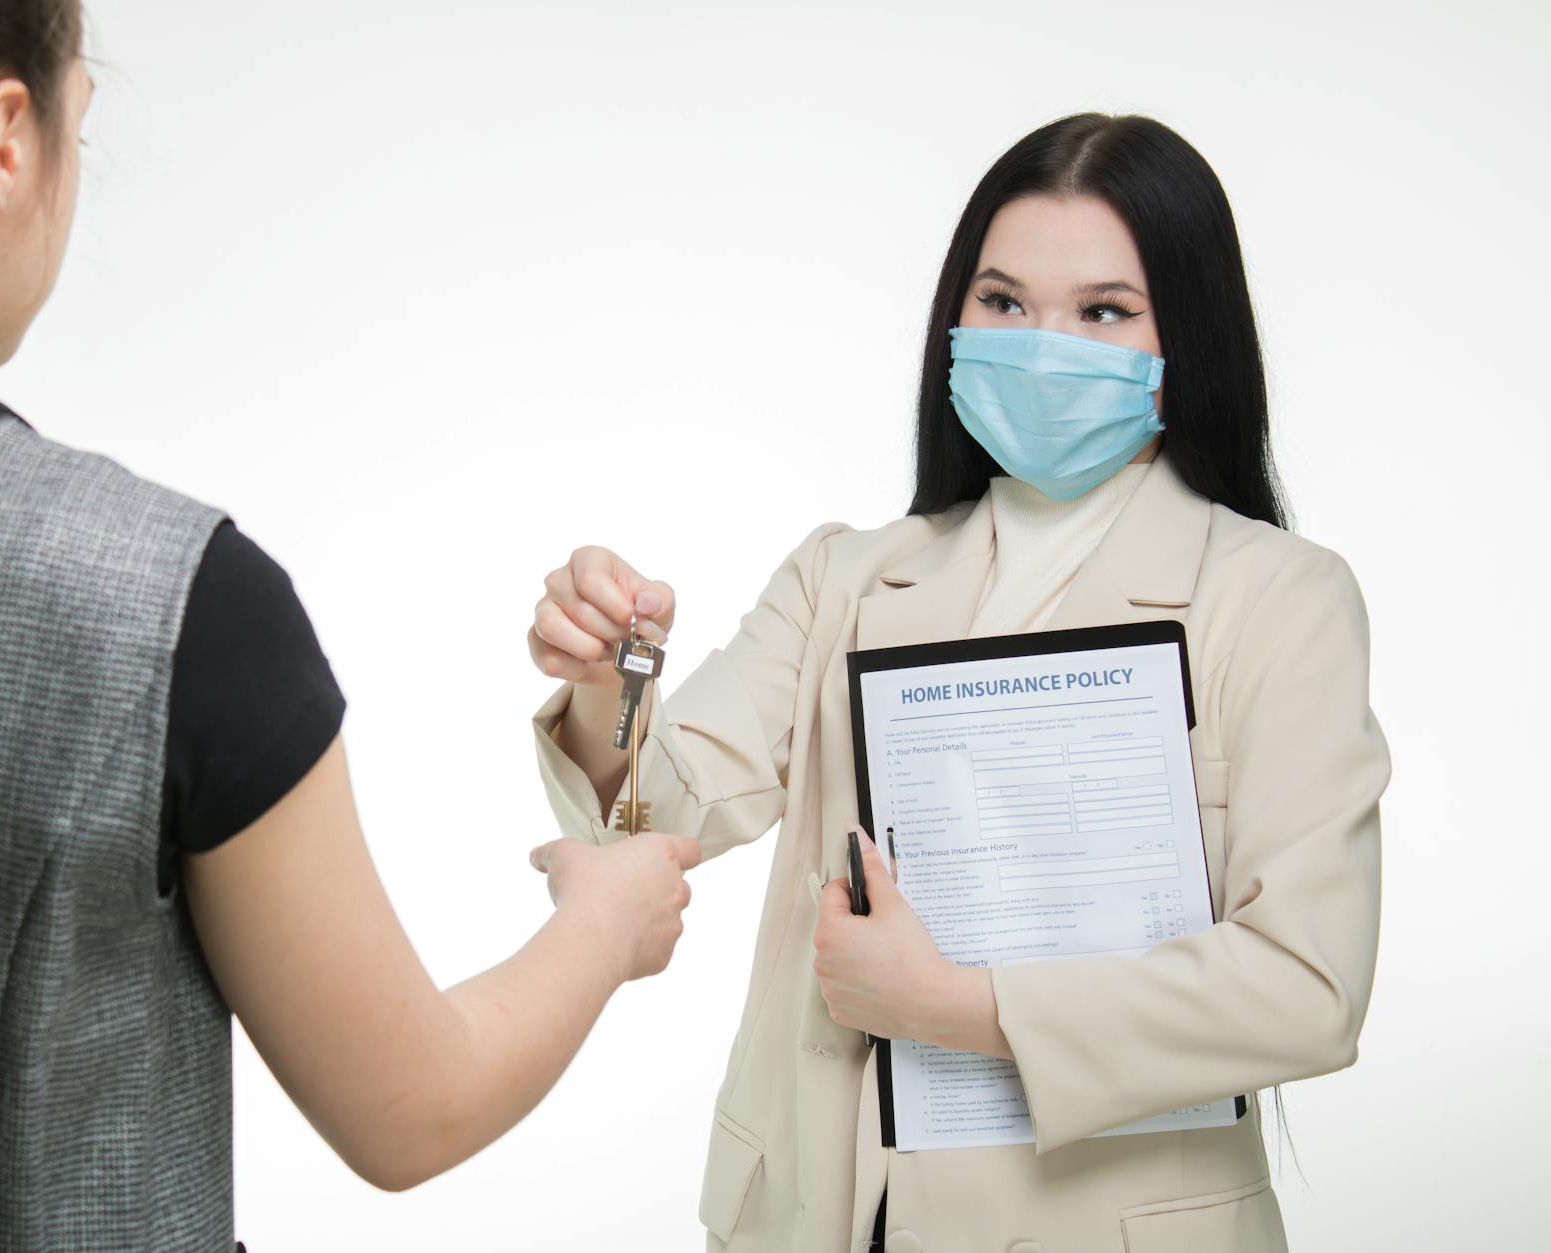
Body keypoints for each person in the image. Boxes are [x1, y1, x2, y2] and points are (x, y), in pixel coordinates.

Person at [0, 2, 699, 1249]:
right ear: (2, 142)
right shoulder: (169, 600)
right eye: (75, 127)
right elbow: (408, 1105)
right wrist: (601, 922)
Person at [527, 113, 1389, 1252]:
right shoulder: (842, 575)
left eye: (1102, 311)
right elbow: (658, 814)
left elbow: (1306, 985)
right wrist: (609, 677)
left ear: (1190, 337)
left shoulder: (1276, 597)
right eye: (1001, 301)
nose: (1041, 344)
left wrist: (959, 1009)